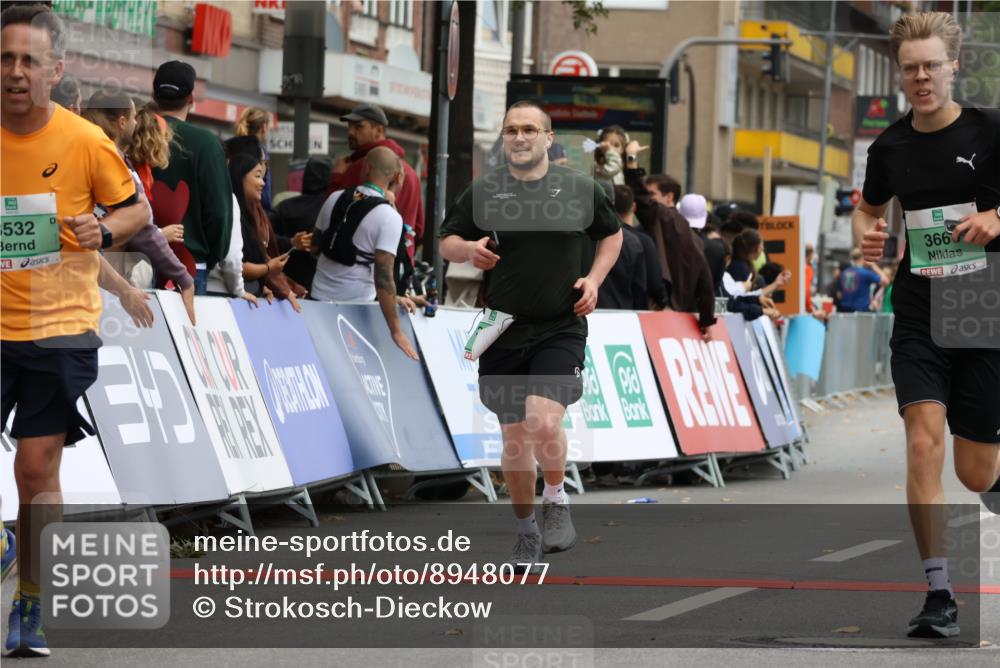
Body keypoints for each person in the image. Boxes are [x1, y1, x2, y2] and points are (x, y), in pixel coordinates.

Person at [1, 5, 149, 657]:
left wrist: (105, 231)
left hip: (57, 324)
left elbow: (136, 209)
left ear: (55, 70)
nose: (15, 71)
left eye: (30, 60)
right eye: (6, 58)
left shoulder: (85, 141)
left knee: (37, 468)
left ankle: (30, 602)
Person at [853, 11, 1000, 638]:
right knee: (921, 440)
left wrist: (999, 219)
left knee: (976, 473)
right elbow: (866, 211)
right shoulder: (889, 146)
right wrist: (869, 239)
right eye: (910, 67)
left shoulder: (992, 129)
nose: (921, 77)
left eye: (931, 65)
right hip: (918, 304)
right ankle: (939, 592)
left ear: (953, 65)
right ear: (900, 72)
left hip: (981, 301)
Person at [439, 101, 623, 571]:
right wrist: (469, 248)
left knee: (543, 420)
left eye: (528, 129)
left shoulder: (581, 189)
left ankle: (556, 498)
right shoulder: (485, 191)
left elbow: (612, 234)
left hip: (560, 325)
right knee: (516, 441)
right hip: (502, 329)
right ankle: (525, 533)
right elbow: (447, 242)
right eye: (510, 130)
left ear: (546, 136)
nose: (519, 137)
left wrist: (594, 280)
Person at [81, 89, 197, 324]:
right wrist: (183, 276)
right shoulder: (117, 167)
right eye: (134, 117)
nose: (137, 122)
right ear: (122, 122)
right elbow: (143, 230)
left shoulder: (79, 152)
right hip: (102, 284)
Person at [309, 147, 419, 359]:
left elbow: (315, 247)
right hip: (357, 310)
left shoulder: (335, 198)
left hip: (317, 301)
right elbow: (384, 278)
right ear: (397, 177)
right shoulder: (389, 216)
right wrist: (396, 330)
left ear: (366, 168)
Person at [150, 60, 233, 295]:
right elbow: (219, 212)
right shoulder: (205, 143)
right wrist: (211, 255)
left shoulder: (136, 135)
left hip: (137, 262)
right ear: (191, 99)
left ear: (154, 94)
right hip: (189, 265)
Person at [328, 104, 424, 268]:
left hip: (364, 266)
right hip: (401, 263)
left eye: (358, 127)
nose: (351, 132)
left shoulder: (361, 167)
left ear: (379, 130)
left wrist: (337, 177)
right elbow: (419, 229)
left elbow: (334, 212)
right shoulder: (411, 173)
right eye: (349, 126)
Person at [624, 167, 715, 334]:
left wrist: (631, 165)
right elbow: (705, 282)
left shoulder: (663, 217)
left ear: (669, 197)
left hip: (658, 314)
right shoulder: (691, 235)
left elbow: (705, 281)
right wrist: (706, 320)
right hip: (675, 318)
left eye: (652, 194)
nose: (648, 200)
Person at [229, 152, 304, 312]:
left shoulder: (253, 214)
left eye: (263, 176)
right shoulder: (232, 212)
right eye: (257, 176)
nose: (262, 183)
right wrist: (268, 269)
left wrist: (264, 285)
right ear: (240, 177)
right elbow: (236, 265)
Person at [269, 156, 333, 290]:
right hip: (323, 286)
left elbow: (262, 235)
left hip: (286, 282)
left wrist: (290, 242)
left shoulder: (284, 206)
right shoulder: (333, 207)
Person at [610, 185, 667, 310]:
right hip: (629, 314)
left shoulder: (590, 237)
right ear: (634, 207)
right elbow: (654, 284)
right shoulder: (642, 241)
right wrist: (661, 300)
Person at [680, 193, 727, 295]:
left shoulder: (667, 243)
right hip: (702, 307)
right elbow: (715, 285)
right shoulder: (717, 249)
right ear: (705, 217)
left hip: (670, 308)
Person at [234, 107, 273, 210]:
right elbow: (265, 197)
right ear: (264, 127)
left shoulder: (231, 146)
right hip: (253, 211)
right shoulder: (261, 152)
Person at [835, 248, 889, 313]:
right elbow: (886, 282)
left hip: (845, 312)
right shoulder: (866, 273)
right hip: (862, 313)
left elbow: (839, 295)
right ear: (863, 259)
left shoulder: (843, 274)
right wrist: (874, 266)